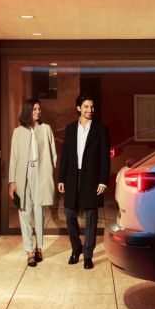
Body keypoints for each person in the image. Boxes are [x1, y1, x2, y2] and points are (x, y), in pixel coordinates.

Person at [57, 94, 110, 270]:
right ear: (79, 108)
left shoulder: (101, 130)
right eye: (86, 107)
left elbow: (104, 158)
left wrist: (103, 181)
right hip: (72, 177)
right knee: (69, 214)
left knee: (91, 217)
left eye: (92, 107)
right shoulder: (71, 129)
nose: (90, 110)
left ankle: (88, 255)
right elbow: (65, 156)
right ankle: (76, 248)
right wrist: (61, 178)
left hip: (92, 178)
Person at [8, 99, 57, 267]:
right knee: (24, 211)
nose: (38, 111)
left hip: (41, 173)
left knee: (39, 211)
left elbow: (53, 153)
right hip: (24, 175)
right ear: (28, 111)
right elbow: (13, 158)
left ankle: (39, 248)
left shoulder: (45, 129)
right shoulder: (18, 132)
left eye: (39, 109)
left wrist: (51, 171)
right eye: (34, 109)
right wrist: (12, 181)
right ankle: (29, 251)